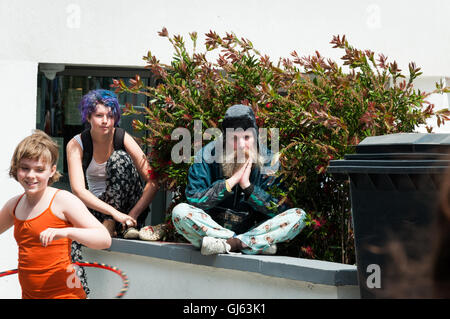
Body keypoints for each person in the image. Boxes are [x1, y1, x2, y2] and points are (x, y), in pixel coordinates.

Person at [171, 104, 307, 255]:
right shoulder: (205, 156)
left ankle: (231, 244)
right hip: (211, 231)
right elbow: (193, 199)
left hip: (252, 230)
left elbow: (278, 209)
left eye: (247, 137)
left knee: (299, 216)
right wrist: (230, 182)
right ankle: (249, 245)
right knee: (180, 212)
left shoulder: (269, 161)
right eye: (234, 139)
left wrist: (248, 187)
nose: (241, 146)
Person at [0, 130, 111, 299]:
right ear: (16, 169)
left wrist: (66, 232)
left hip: (65, 295)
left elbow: (104, 239)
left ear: (52, 171)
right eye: (25, 168)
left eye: (39, 169)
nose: (31, 175)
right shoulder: (14, 206)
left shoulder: (62, 201)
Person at [66, 89, 159, 238]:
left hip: (127, 212)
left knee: (119, 158)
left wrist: (132, 216)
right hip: (98, 210)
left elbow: (153, 181)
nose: (105, 121)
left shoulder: (122, 137)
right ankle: (108, 223)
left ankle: (113, 225)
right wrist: (113, 214)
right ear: (88, 117)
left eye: (110, 116)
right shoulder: (77, 144)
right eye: (99, 115)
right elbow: (78, 190)